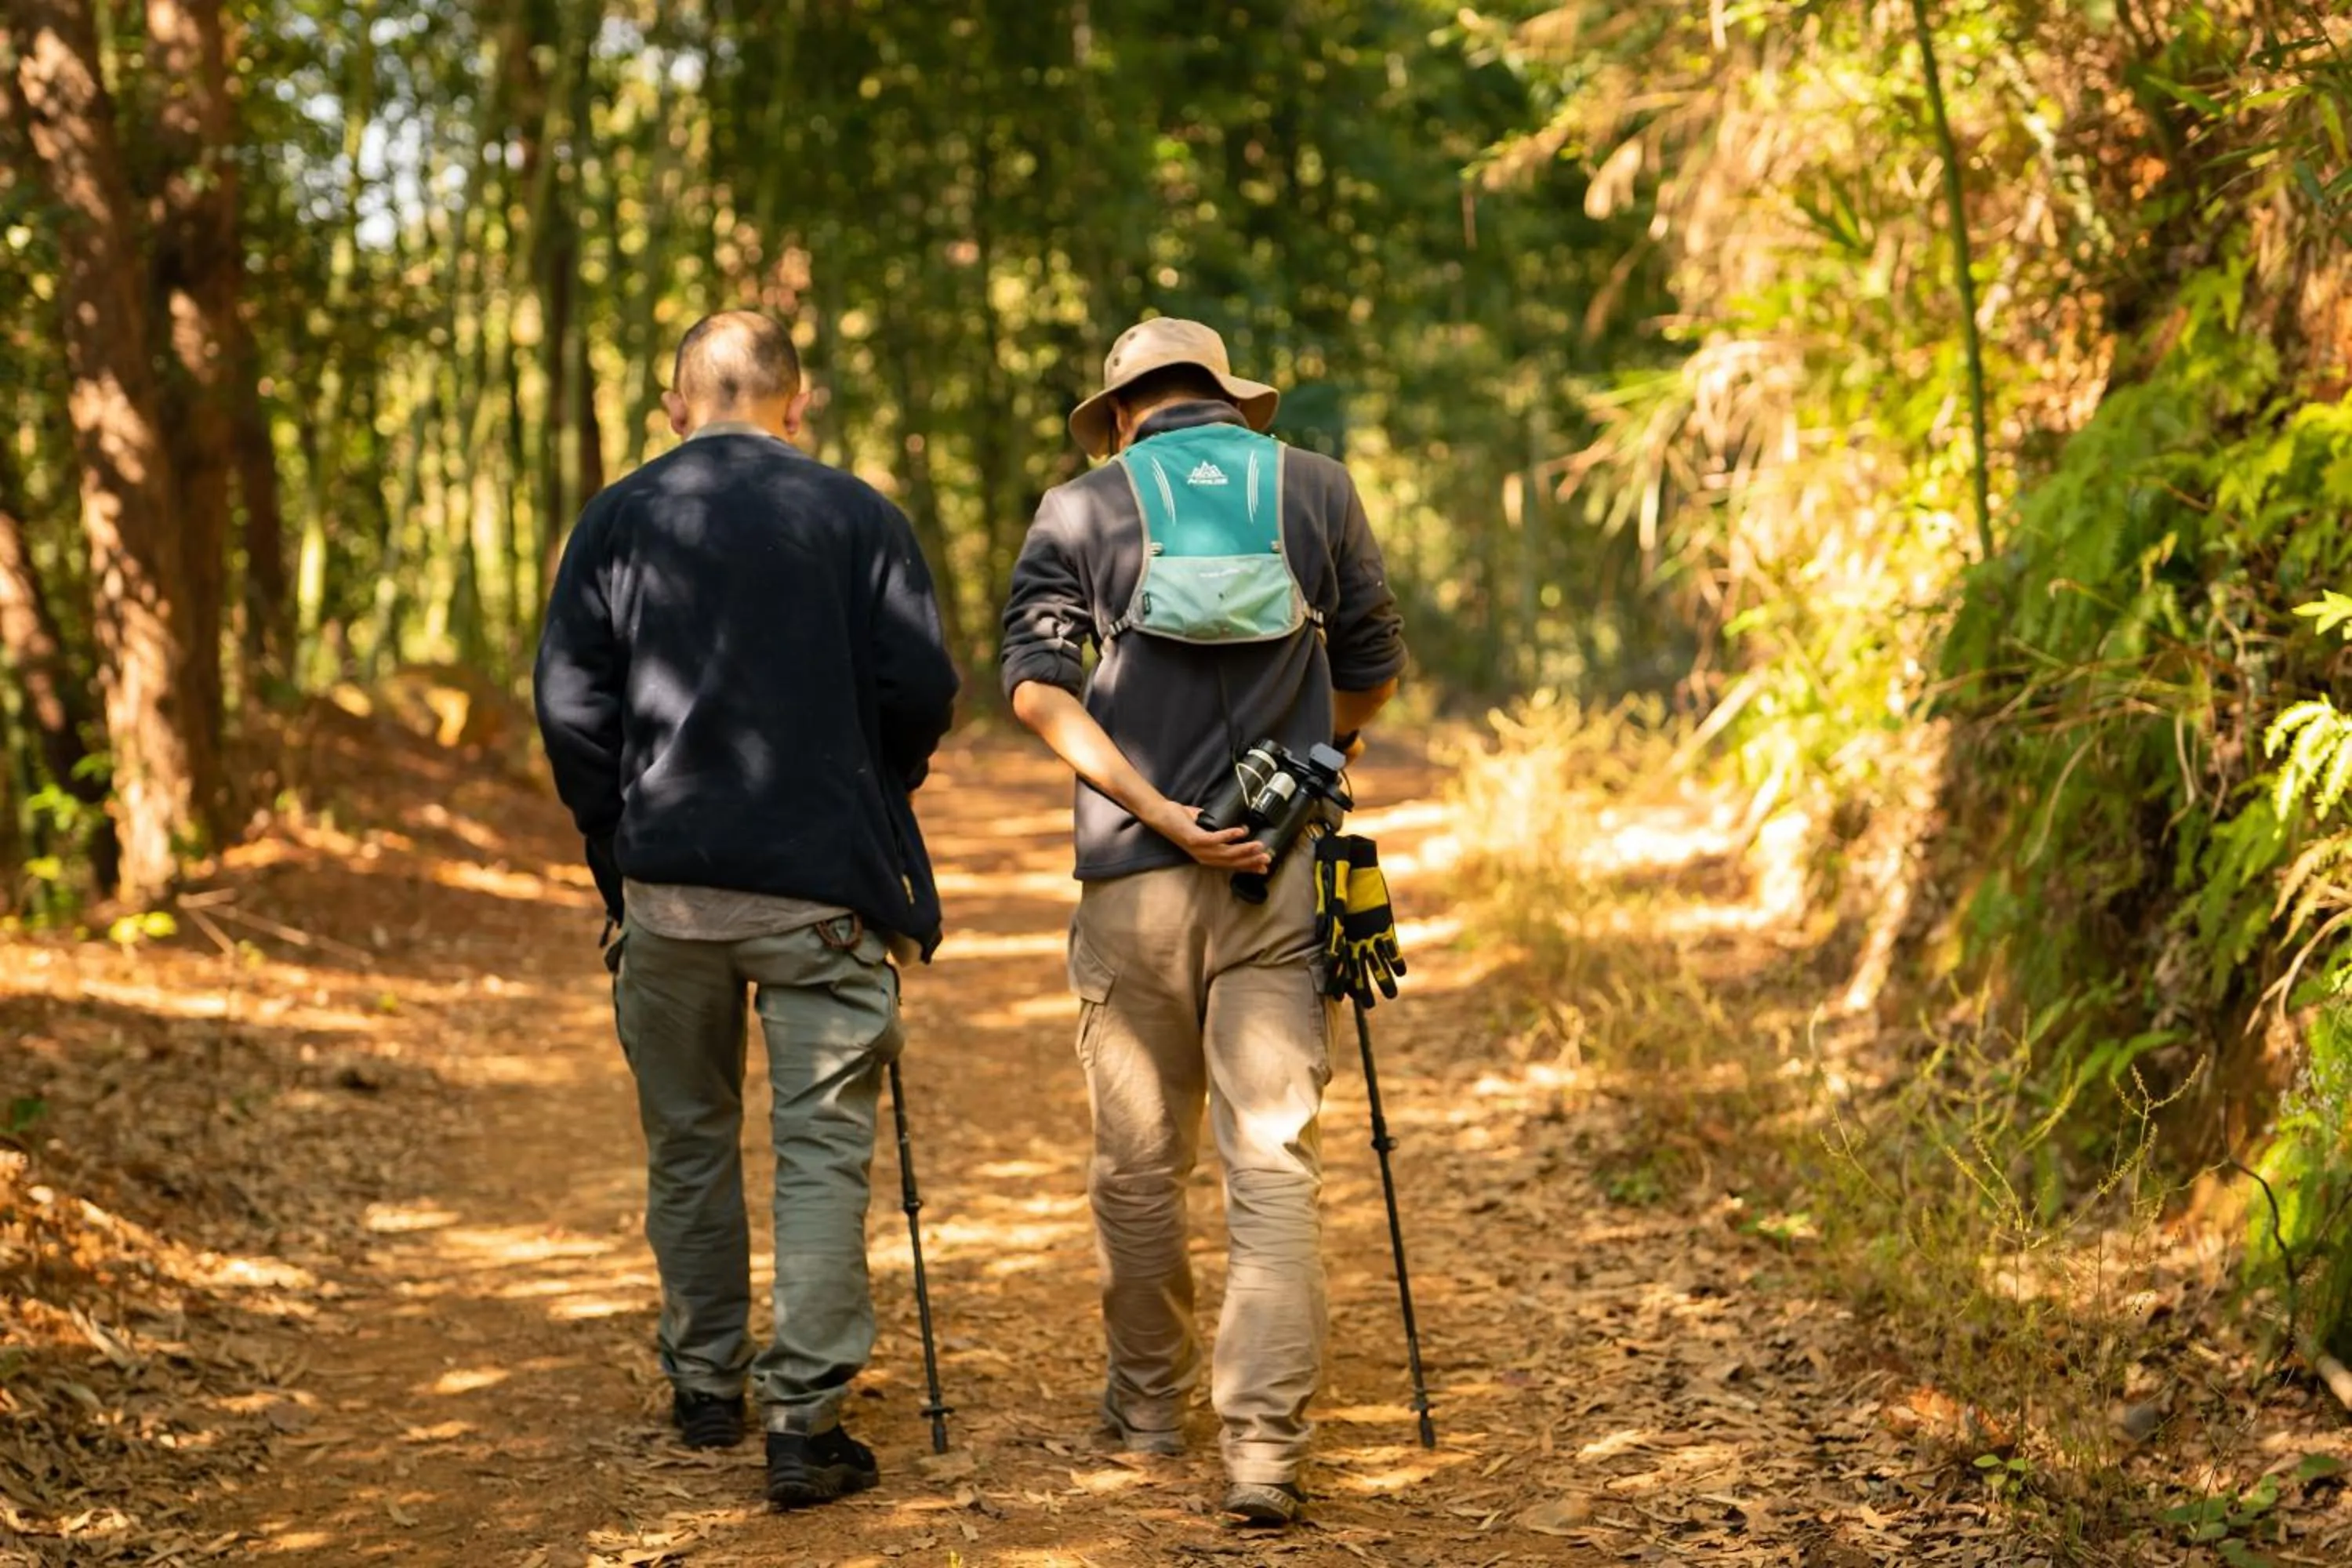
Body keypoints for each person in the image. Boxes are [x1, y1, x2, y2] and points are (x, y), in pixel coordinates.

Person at [534, 310, 959, 1512]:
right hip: (824, 889)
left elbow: (570, 705)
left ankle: (707, 1386)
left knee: (689, 1139)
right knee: (820, 1149)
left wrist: (618, 845)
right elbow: (921, 687)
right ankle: (803, 1423)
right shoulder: (857, 515)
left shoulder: (620, 516)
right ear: (797, 399)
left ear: (676, 408)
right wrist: (878, 783)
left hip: (668, 888)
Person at [999, 317, 1407, 1527]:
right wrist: (1315, 764)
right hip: (1277, 881)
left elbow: (1034, 689)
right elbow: (1375, 664)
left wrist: (1160, 812)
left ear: (1122, 412)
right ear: (1228, 401)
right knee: (1272, 1161)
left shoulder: (1081, 509)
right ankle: (1265, 1454)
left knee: (1139, 1165)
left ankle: (1147, 1408)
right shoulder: (1317, 490)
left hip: (1134, 875)